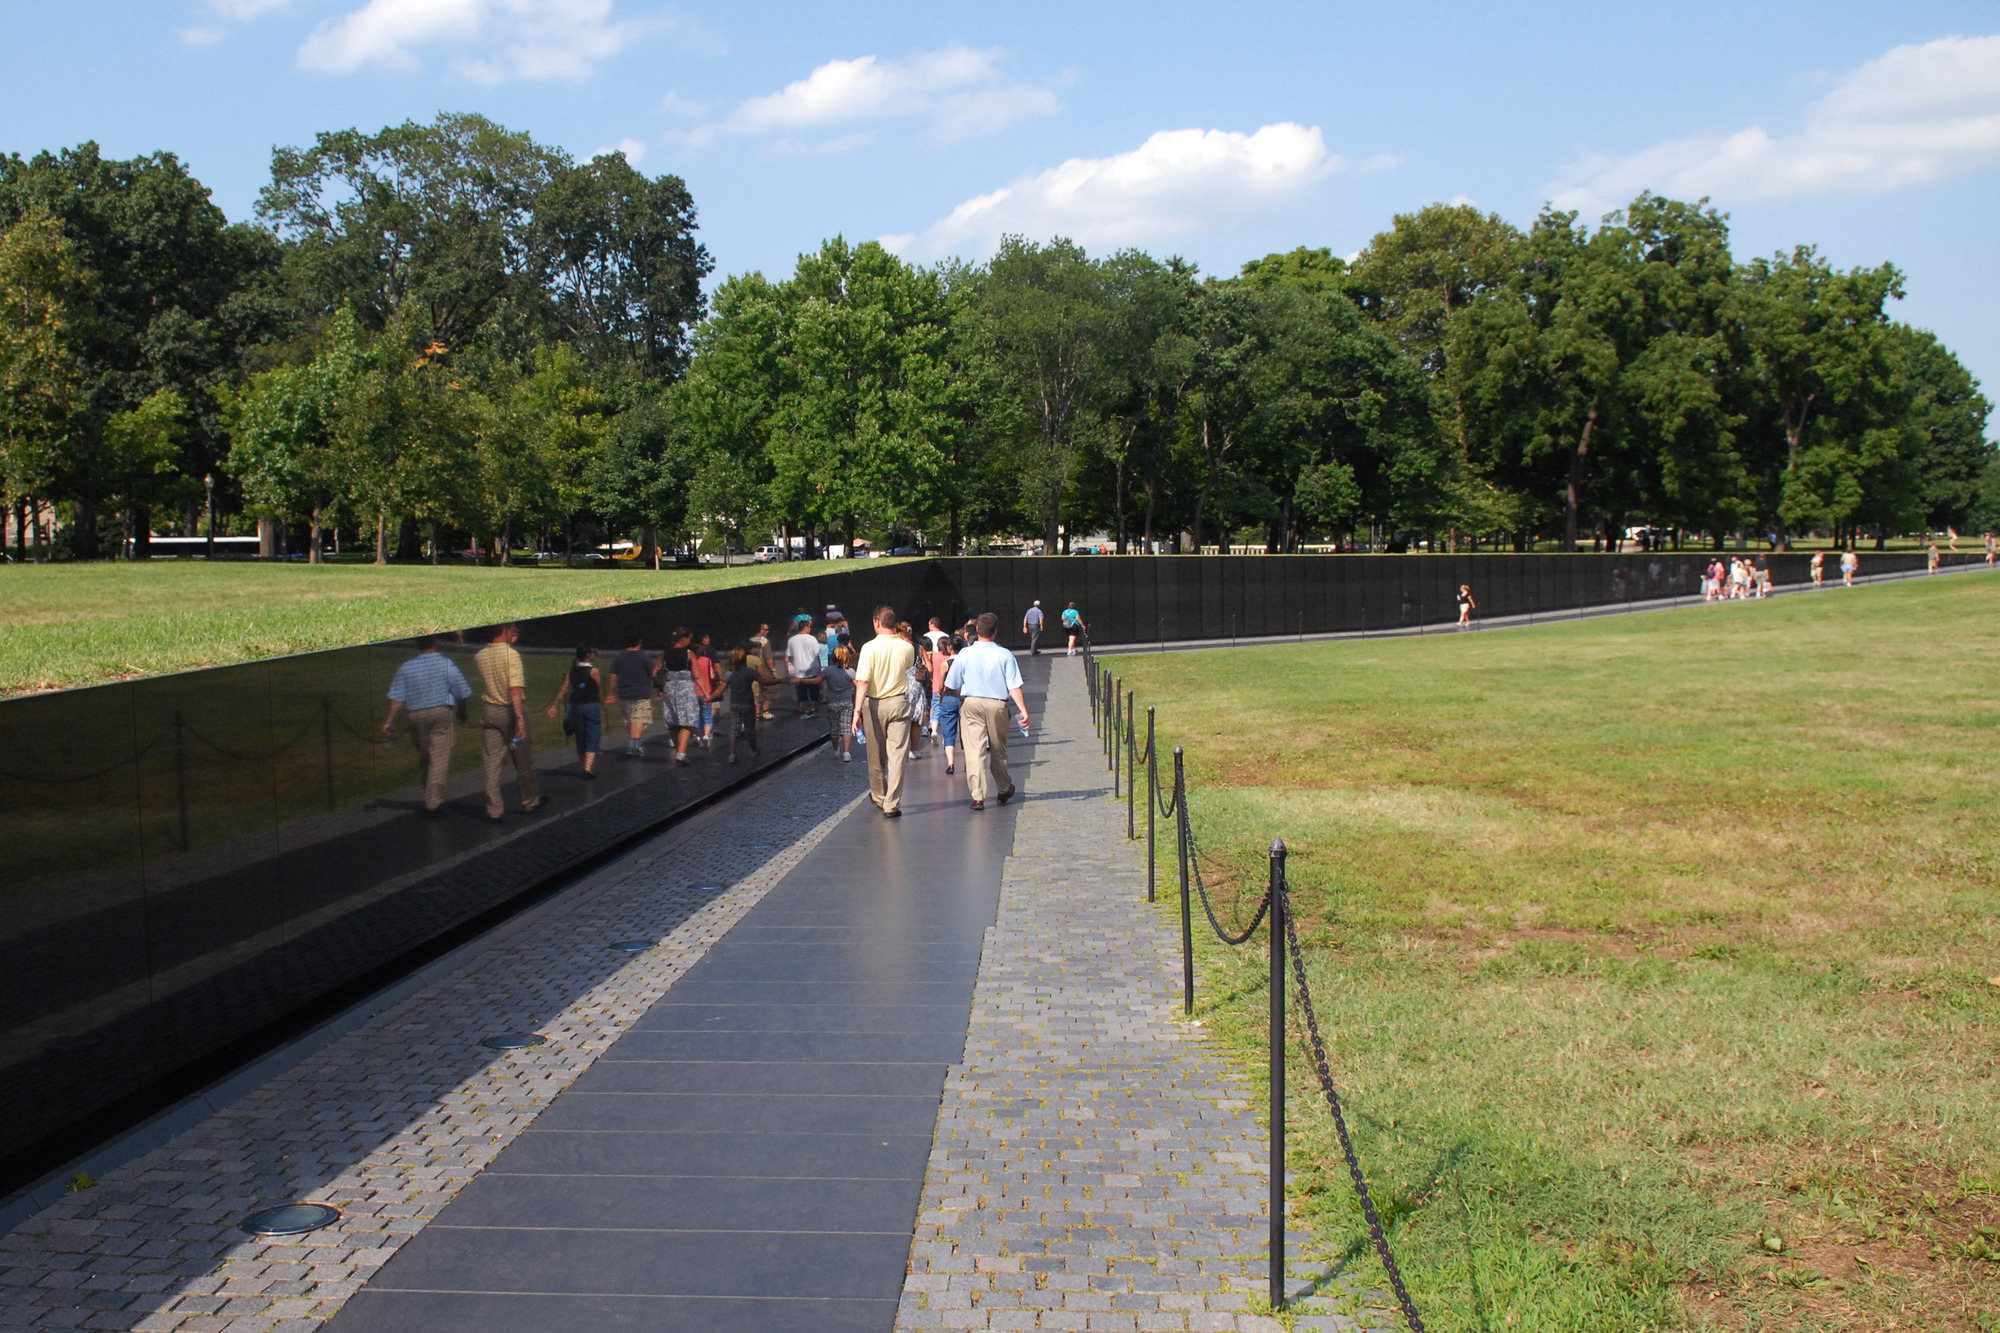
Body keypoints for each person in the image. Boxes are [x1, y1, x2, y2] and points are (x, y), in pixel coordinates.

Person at [945, 611, 1029, 811]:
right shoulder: (1004, 654)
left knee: (974, 751)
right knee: (999, 749)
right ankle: (1003, 787)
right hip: (997, 704)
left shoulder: (965, 654)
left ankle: (978, 796)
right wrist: (1023, 710)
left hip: (971, 703)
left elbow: (952, 683)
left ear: (976, 631)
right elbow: (1014, 686)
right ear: (996, 631)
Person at [381, 635, 472, 815]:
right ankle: (433, 803)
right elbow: (462, 691)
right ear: (435, 643)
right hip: (441, 712)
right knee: (440, 758)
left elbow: (397, 697)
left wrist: (389, 721)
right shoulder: (446, 664)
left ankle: (429, 796)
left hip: (416, 715)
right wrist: (462, 711)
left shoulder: (407, 667)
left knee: (426, 756)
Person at [852, 605, 918, 817]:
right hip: (899, 702)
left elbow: (862, 682)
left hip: (874, 704)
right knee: (897, 755)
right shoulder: (907, 647)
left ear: (877, 623)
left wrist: (856, 712)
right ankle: (892, 803)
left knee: (875, 755)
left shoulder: (868, 648)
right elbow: (908, 669)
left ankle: (880, 797)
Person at [474, 623, 541, 820]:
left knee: (491, 762)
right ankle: (530, 800)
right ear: (503, 631)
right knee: (522, 758)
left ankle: (494, 807)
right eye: (511, 629)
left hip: (490, 710)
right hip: (510, 710)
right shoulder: (511, 655)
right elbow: (515, 690)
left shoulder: (480, 655)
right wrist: (519, 717)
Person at [548, 644, 603, 778]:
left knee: (580, 736)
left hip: (576, 705)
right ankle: (587, 768)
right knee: (592, 734)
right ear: (588, 655)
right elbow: (597, 687)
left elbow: (564, 689)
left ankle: (583, 765)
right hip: (591, 705)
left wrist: (554, 705)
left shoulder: (572, 671)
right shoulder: (594, 671)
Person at [655, 627, 701, 765]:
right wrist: (706, 694)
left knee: (674, 722)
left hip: (669, 688)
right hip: (685, 688)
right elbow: (697, 676)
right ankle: (681, 753)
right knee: (687, 722)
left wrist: (660, 686)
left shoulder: (664, 654)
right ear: (684, 638)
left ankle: (678, 751)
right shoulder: (689, 654)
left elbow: (655, 673)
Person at [723, 644, 773, 764]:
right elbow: (763, 681)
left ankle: (732, 754)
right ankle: (753, 750)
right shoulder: (749, 672)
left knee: (733, 730)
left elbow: (721, 689)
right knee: (750, 729)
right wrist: (780, 680)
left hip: (734, 704)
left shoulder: (729, 673)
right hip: (747, 703)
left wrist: (709, 698)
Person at [611, 635, 655, 758]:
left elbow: (613, 676)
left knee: (630, 719)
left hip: (625, 693)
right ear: (639, 642)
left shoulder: (619, 658)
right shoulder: (645, 657)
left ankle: (634, 743)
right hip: (641, 692)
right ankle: (635, 744)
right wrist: (659, 688)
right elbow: (653, 674)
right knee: (639, 719)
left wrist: (610, 692)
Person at [822, 644, 857, 763]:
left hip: (832, 701)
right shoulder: (851, 671)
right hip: (846, 701)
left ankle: (836, 751)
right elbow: (859, 685)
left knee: (834, 727)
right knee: (846, 726)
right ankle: (846, 753)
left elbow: (816, 680)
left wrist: (800, 680)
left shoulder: (827, 671)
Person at [786, 615, 823, 717]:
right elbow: (817, 655)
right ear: (806, 627)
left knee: (802, 693)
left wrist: (794, 665)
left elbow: (790, 656)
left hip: (798, 671)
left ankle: (805, 711)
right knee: (813, 692)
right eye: (809, 626)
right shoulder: (812, 639)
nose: (810, 628)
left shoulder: (791, 640)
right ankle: (813, 710)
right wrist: (819, 667)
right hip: (812, 670)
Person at [691, 632, 718, 747]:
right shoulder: (707, 661)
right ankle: (706, 735)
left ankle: (697, 734)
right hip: (706, 690)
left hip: (693, 692)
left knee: (696, 714)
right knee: (707, 713)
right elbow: (712, 675)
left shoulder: (691, 661)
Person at [749, 622, 777, 719]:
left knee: (757, 691)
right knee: (770, 690)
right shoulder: (764, 641)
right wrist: (773, 670)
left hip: (752, 669)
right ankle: (765, 711)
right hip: (764, 669)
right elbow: (768, 658)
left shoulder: (751, 640)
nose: (767, 632)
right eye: (766, 630)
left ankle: (757, 712)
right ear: (761, 630)